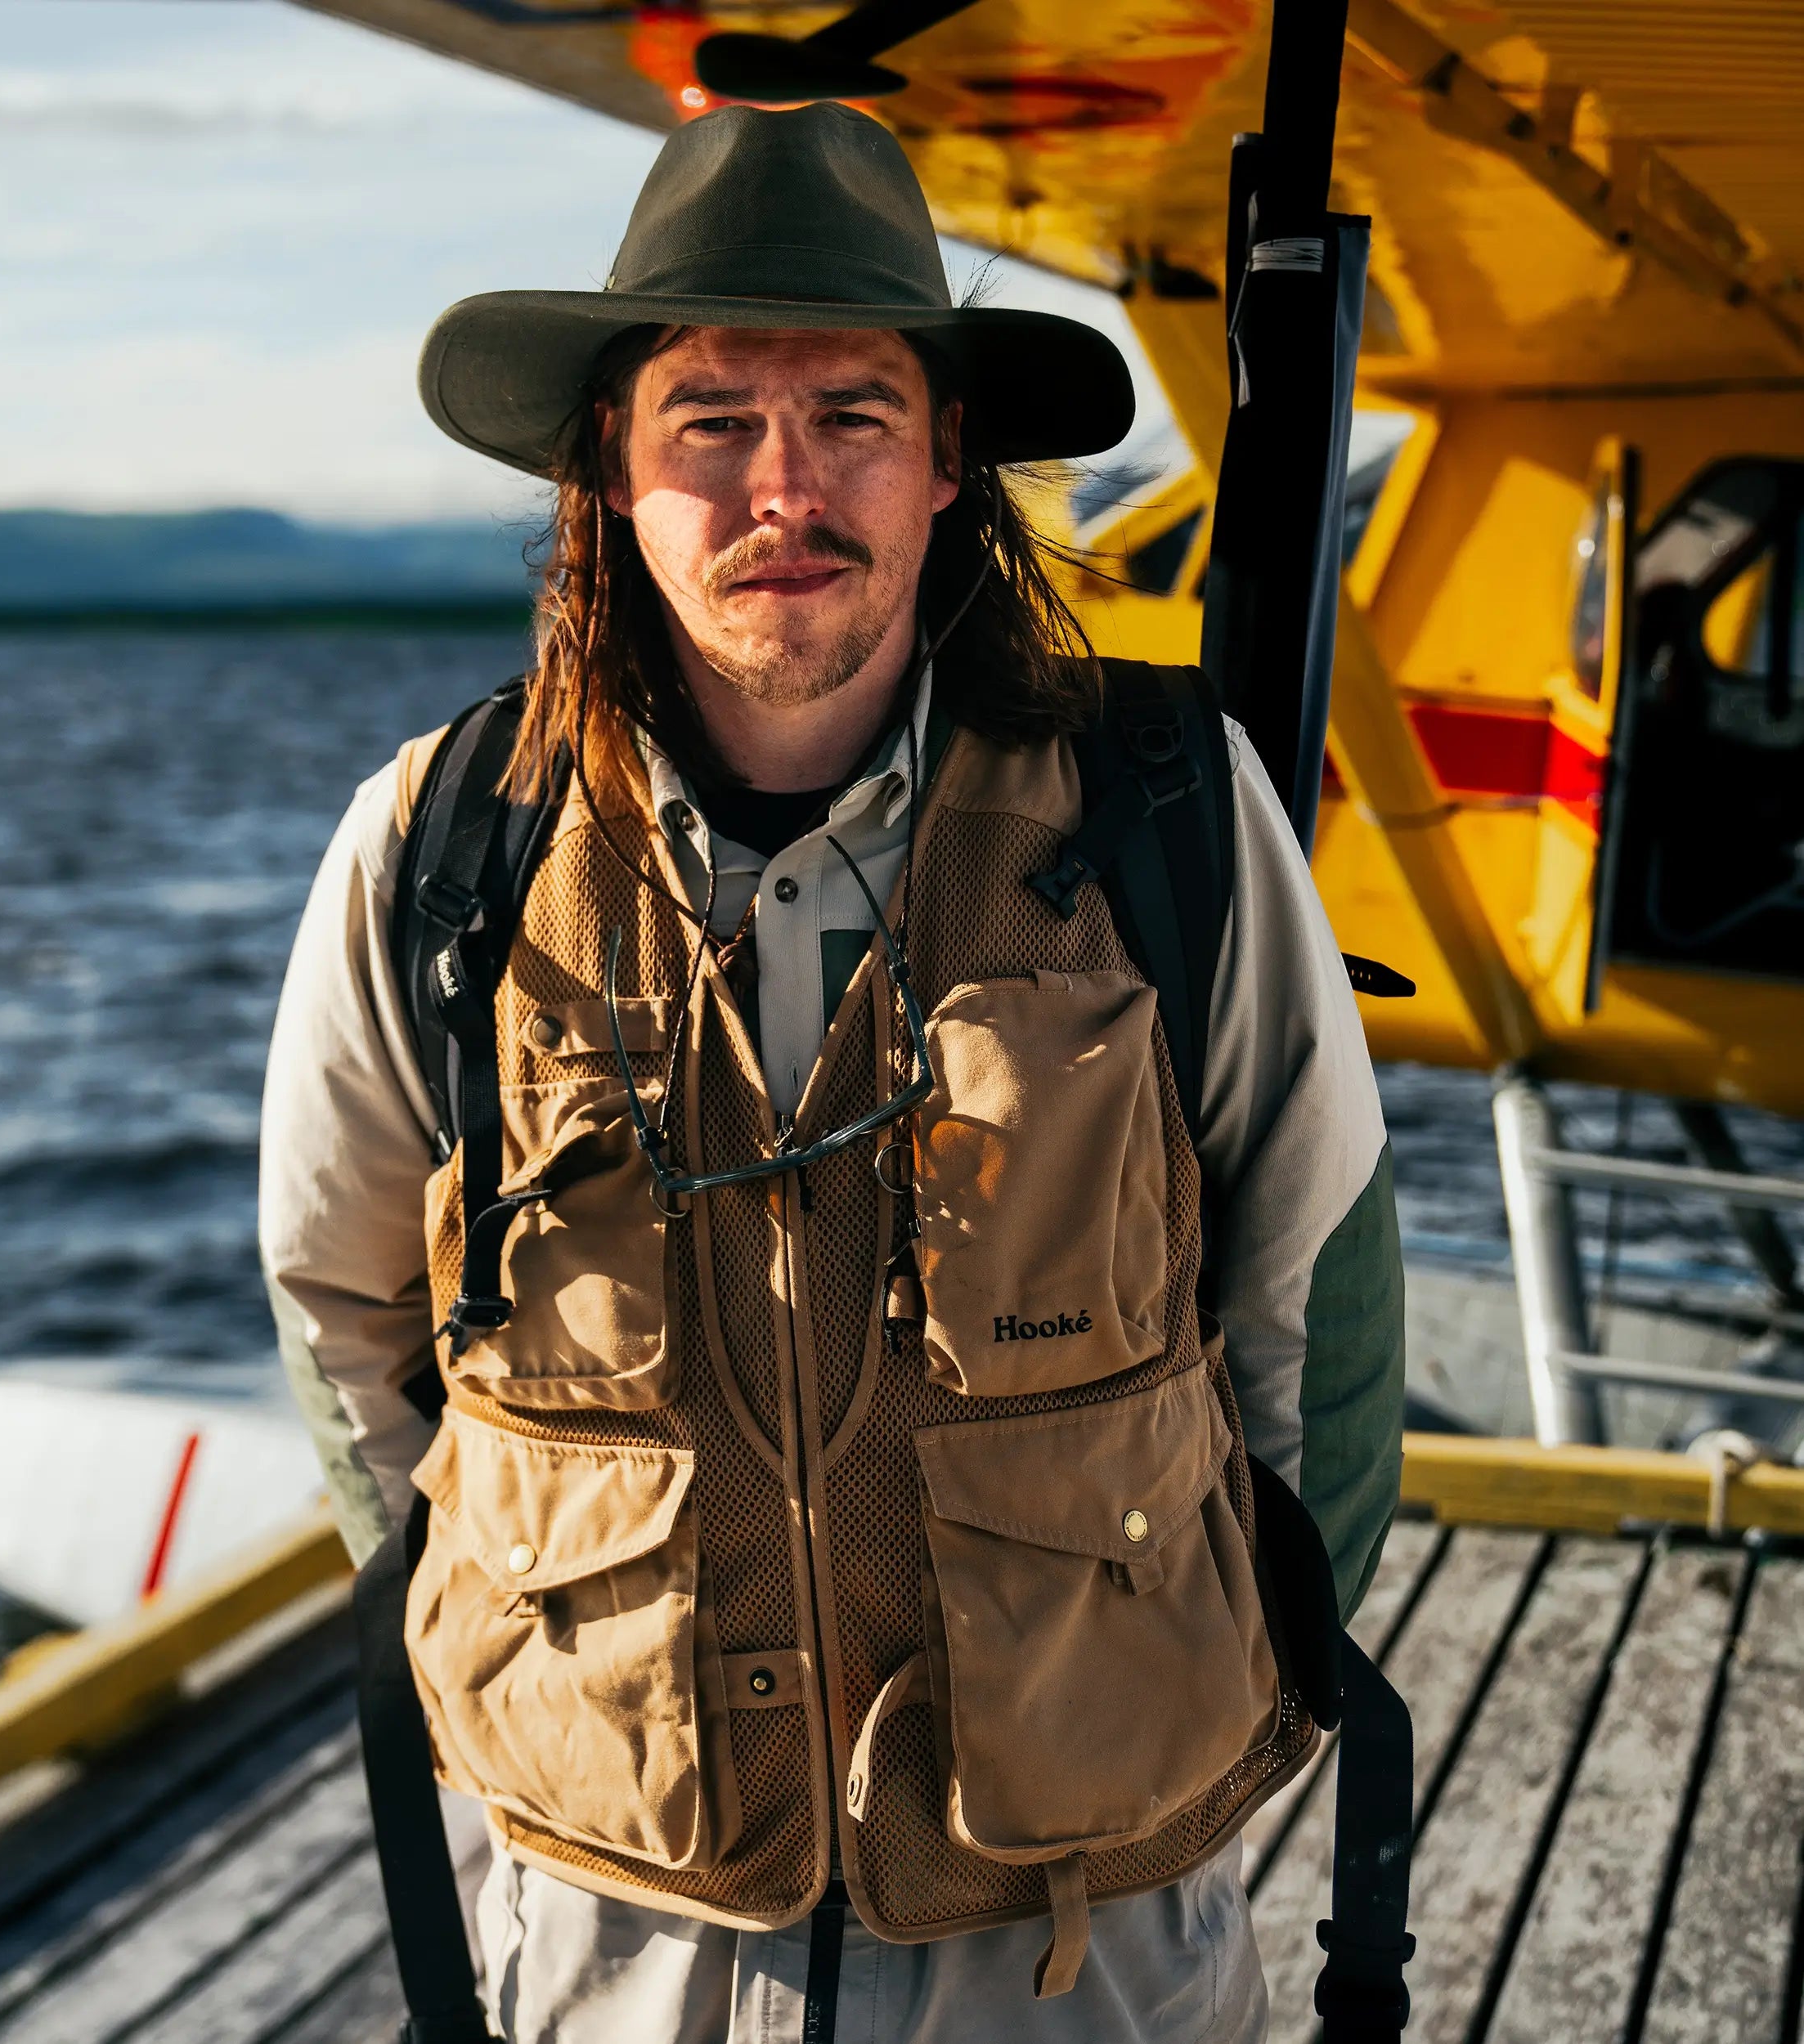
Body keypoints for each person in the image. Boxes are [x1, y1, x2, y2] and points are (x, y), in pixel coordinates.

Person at [260, 101, 1403, 2044]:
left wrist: (1199, 1676)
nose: (782, 484)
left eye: (851, 413)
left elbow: (1317, 1305)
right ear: (606, 472)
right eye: (709, 419)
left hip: (1080, 1929)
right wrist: (528, 1657)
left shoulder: (1167, 811)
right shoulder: (435, 848)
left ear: (949, 461)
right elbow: (346, 1323)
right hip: (618, 1926)